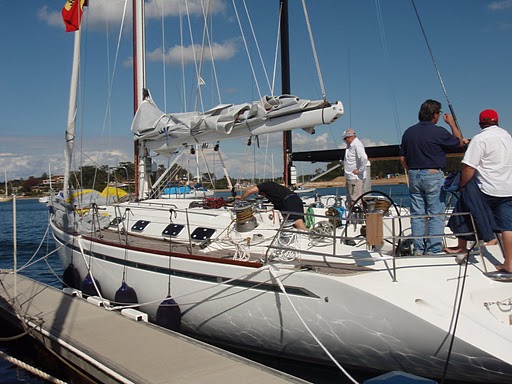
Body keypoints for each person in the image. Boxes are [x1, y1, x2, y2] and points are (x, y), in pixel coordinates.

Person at [446, 109, 512, 271]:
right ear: (497, 121)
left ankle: (470, 242)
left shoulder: (480, 139)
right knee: (508, 226)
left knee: (465, 203)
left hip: (487, 188)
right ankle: (509, 262)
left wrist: (462, 185)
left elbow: (469, 167)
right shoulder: (507, 137)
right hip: (507, 188)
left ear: (480, 123)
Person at [400, 99, 464, 255]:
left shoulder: (409, 132)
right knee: (436, 214)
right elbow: (459, 142)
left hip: (414, 174)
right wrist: (452, 123)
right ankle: (433, 249)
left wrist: (410, 171)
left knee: (417, 214)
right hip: (433, 174)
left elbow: (403, 158)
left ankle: (418, 249)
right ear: (435, 114)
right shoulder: (438, 131)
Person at [239, 181, 307, 230]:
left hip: (289, 201)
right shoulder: (274, 191)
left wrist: (240, 201)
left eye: (261, 194)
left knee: (298, 222)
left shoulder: (264, 186)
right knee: (292, 223)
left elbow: (249, 191)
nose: (263, 196)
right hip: (295, 199)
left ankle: (307, 237)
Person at [342, 128, 368, 207]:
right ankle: (352, 217)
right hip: (350, 177)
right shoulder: (350, 146)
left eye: (345, 139)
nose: (345, 141)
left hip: (355, 178)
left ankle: (357, 217)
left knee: (355, 200)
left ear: (349, 137)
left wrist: (360, 170)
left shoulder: (357, 145)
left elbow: (364, 158)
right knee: (351, 200)